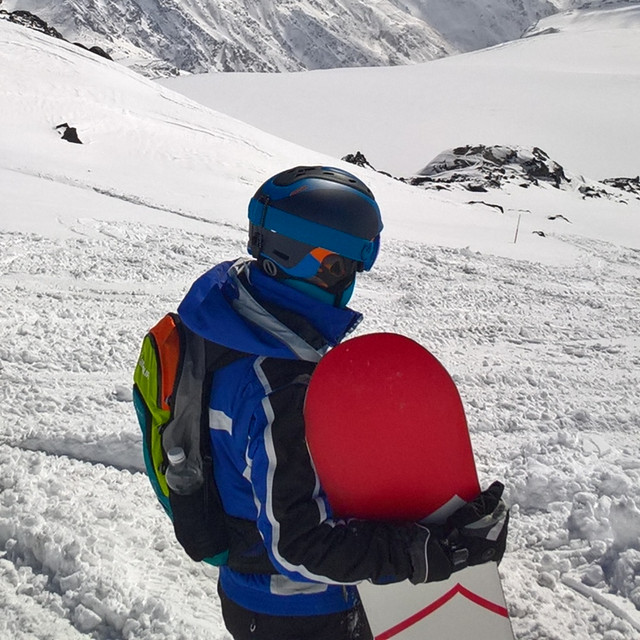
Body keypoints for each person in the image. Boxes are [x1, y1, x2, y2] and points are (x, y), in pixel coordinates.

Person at [176, 165, 509, 640]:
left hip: (256, 599)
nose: (351, 280)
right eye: (348, 266)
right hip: (300, 614)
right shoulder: (278, 386)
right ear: (321, 265)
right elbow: (297, 545)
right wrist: (425, 552)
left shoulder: (235, 318)